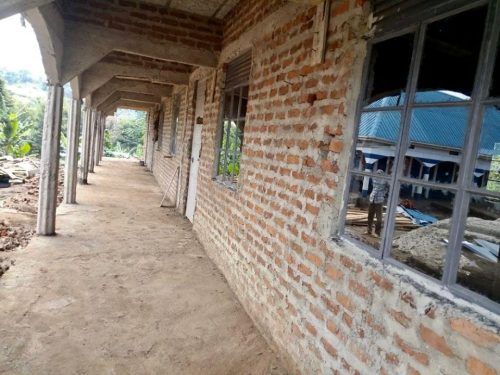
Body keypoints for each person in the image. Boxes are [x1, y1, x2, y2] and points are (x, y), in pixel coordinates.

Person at [366, 169, 388, 237]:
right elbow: (373, 187)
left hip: (379, 200)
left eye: (380, 173)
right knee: (370, 216)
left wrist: (383, 194)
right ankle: (369, 231)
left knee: (379, 219)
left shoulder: (385, 181)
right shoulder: (374, 178)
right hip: (372, 199)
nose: (378, 175)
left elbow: (388, 188)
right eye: (377, 173)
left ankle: (377, 233)